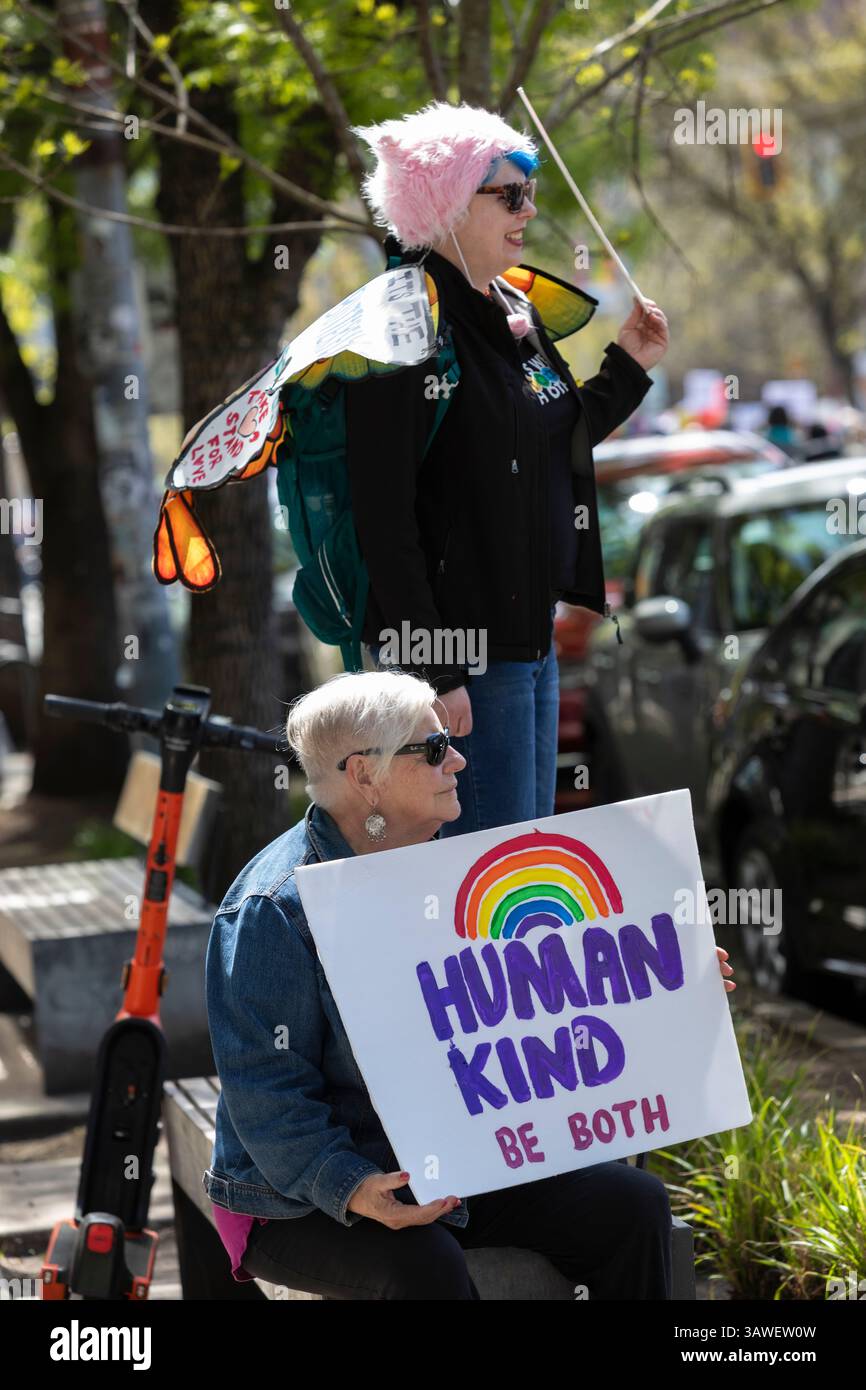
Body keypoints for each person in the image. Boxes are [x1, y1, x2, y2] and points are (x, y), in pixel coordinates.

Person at [204, 669, 736, 1300]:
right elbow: (267, 1092)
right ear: (364, 775)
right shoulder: (274, 908)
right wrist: (348, 1185)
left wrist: (673, 986)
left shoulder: (453, 866)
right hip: (296, 1196)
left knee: (632, 1205)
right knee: (422, 1266)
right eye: (431, 749)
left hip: (451, 1162)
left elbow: (544, 997)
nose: (457, 758)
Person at [343, 99, 669, 837]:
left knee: (526, 864)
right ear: (448, 204)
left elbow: (555, 435)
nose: (528, 209)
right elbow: (383, 516)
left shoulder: (513, 309)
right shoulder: (403, 324)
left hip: (529, 641)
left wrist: (629, 364)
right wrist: (436, 668)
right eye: (509, 194)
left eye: (530, 189)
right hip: (460, 662)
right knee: (486, 890)